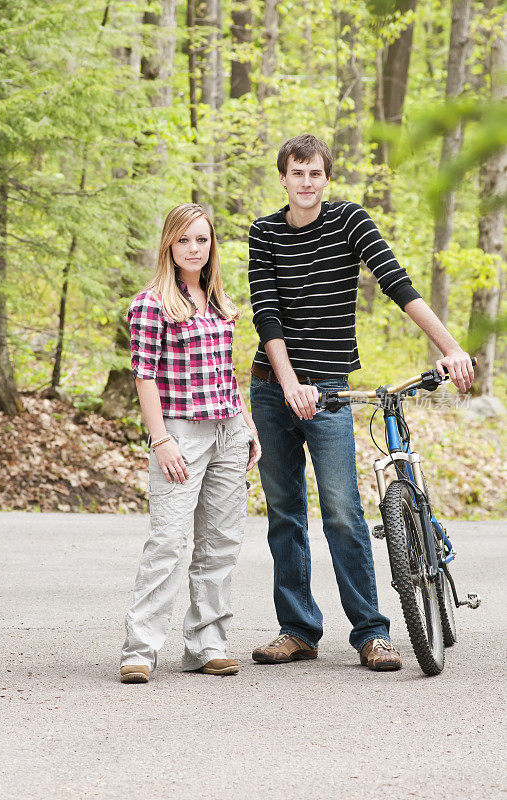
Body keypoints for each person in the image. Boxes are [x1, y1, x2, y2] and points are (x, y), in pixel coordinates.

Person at [248, 134, 474, 671]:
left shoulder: (350, 221)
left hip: (329, 390)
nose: (306, 182)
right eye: (297, 173)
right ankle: (298, 629)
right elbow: (267, 313)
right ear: (283, 177)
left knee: (344, 513)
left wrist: (451, 346)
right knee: (284, 514)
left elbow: (398, 284)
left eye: (315, 174)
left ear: (327, 178)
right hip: (272, 386)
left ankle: (372, 632)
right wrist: (288, 383)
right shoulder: (264, 231)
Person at [120, 203, 261, 683]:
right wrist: (160, 441)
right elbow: (144, 377)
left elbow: (226, 373)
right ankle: (140, 650)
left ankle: (208, 644)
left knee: (220, 543)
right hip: (179, 432)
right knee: (169, 541)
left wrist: (246, 425)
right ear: (169, 245)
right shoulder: (151, 304)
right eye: (184, 240)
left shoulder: (220, 302)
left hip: (227, 431)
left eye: (202, 240)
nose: (194, 249)